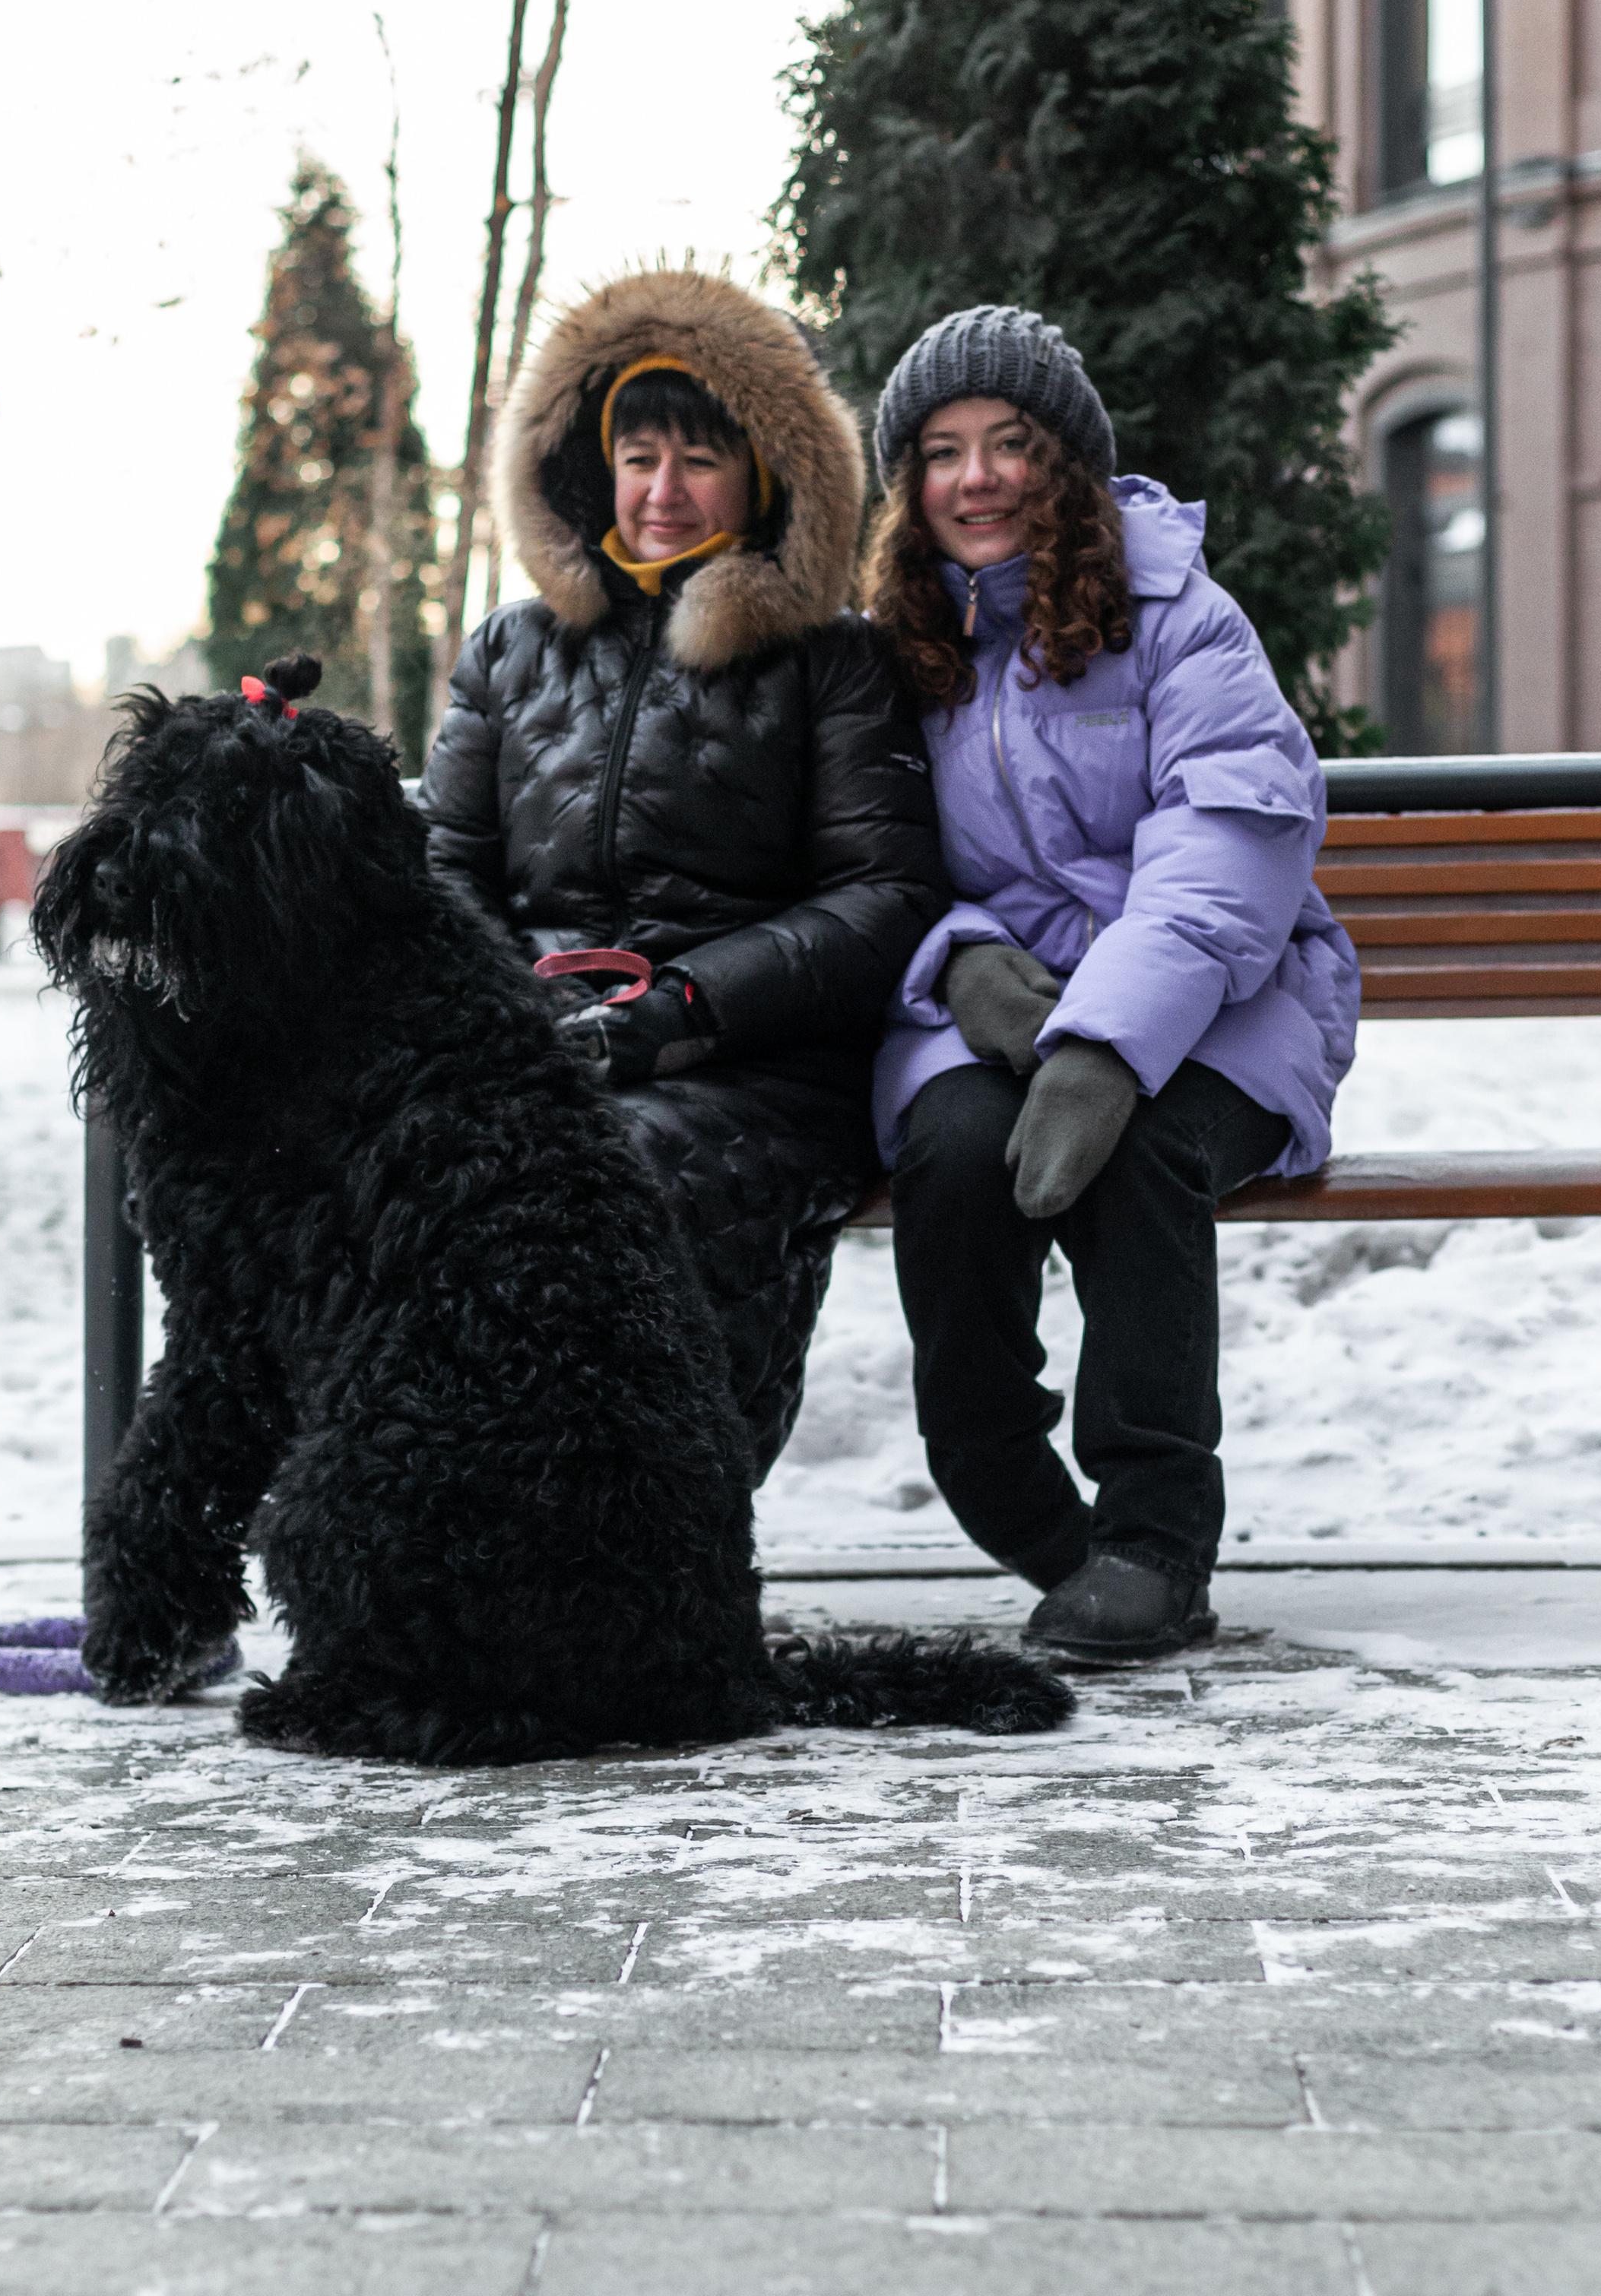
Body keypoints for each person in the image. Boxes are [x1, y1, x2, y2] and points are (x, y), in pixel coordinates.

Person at [862, 305, 1361, 1662]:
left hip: (1226, 1007)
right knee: (954, 1149)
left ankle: (1154, 1539)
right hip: (994, 1010)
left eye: (1012, 443)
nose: (978, 478)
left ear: (1067, 463)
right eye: (945, 450)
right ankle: (1013, 1500)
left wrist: (1109, 1041)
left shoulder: (1182, 620)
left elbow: (1230, 843)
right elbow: (875, 858)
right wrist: (954, 959)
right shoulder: (895, 645)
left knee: (1138, 1151)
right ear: (908, 484)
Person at [420, 266, 950, 1477]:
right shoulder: (513, 650)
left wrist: (684, 1009)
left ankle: (665, 1522)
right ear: (587, 467)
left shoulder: (831, 660)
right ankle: (458, 1531)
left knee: (619, 1181)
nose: (663, 492)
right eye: (638, 456)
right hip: (532, 1043)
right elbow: (446, 872)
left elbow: (883, 900)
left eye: (699, 460)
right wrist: (521, 1011)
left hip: (755, 1063)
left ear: (764, 473)